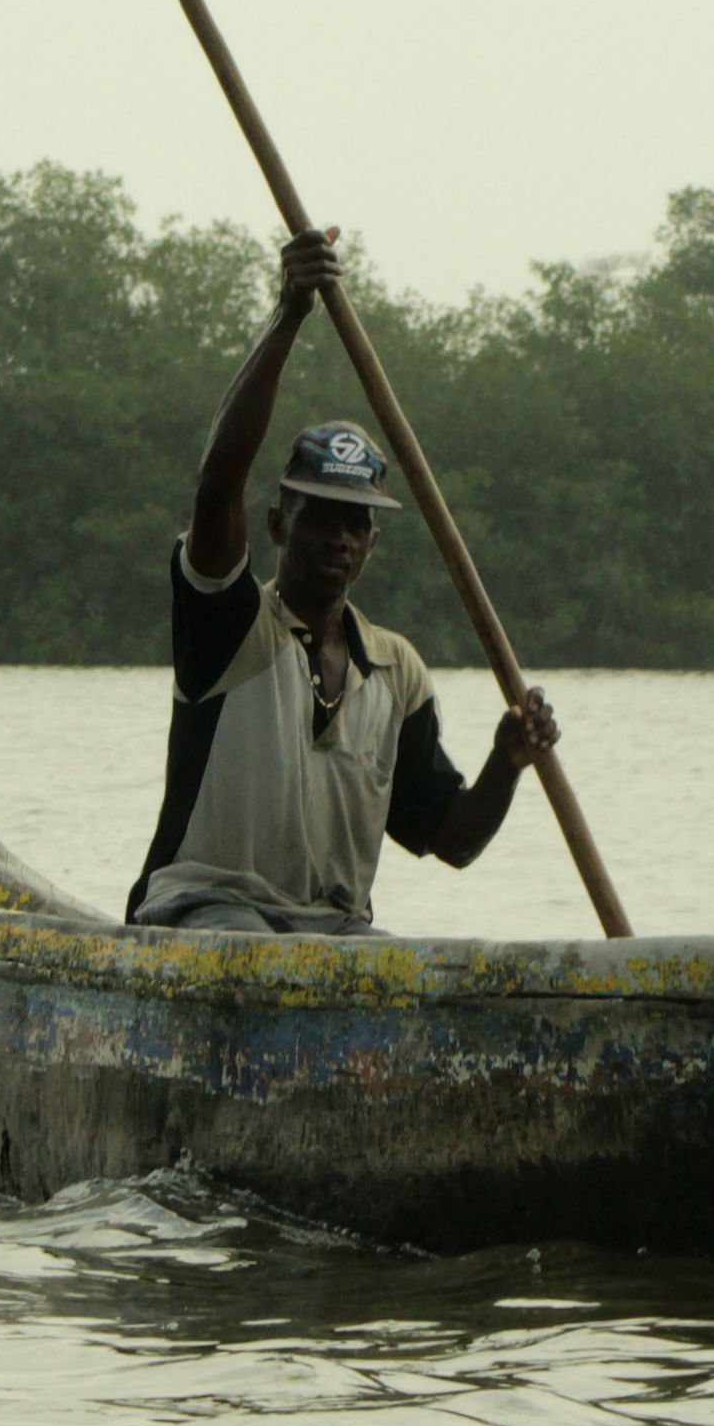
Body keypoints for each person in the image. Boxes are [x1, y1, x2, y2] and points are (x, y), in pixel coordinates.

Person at [126, 226, 559, 935]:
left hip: (332, 930)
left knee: (397, 965)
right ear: (276, 525)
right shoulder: (230, 628)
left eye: (356, 524)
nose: (338, 537)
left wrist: (509, 759)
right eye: (319, 517)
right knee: (252, 947)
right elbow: (217, 484)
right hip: (205, 913)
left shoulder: (396, 671)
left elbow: (451, 838)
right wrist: (289, 314)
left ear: (372, 544)